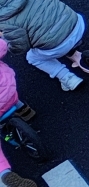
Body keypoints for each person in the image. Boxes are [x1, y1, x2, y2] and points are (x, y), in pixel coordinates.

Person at [0, 40, 39, 187]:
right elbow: (3, 47)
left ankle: (4, 172)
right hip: (9, 93)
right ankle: (23, 109)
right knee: (6, 89)